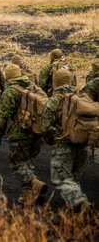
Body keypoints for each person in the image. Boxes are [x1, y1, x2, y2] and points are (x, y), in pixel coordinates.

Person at [0, 64, 47, 207]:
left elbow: (2, 116)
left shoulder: (11, 92)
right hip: (36, 133)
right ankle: (26, 197)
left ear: (9, 77)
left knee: (17, 163)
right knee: (28, 162)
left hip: (20, 134)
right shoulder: (34, 88)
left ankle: (34, 182)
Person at [41, 68, 94, 213]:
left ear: (55, 81)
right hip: (82, 144)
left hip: (63, 145)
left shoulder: (54, 100)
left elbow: (44, 127)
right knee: (74, 179)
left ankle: (81, 203)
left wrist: (51, 140)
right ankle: (74, 213)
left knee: (60, 178)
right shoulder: (83, 97)